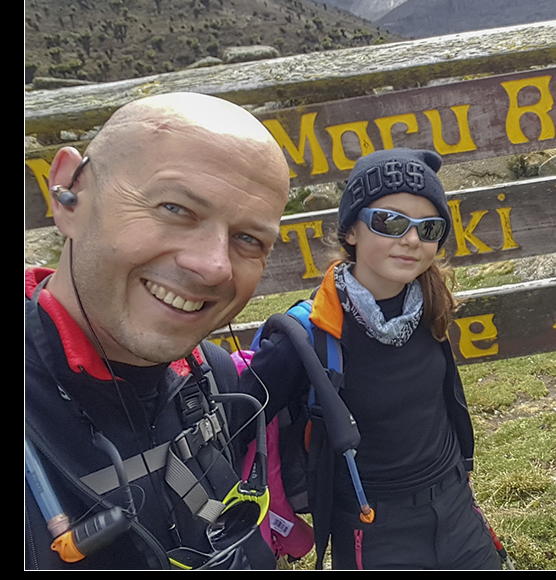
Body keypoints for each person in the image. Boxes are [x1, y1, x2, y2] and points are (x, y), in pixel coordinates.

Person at [25, 92, 290, 569]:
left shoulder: (213, 377)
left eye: (248, 239)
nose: (213, 266)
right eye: (175, 208)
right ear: (69, 191)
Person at [242, 148, 501, 570]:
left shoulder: (429, 304)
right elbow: (238, 421)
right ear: (351, 231)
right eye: (390, 222)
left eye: (429, 228)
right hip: (372, 531)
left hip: (456, 510)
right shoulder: (307, 335)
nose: (412, 239)